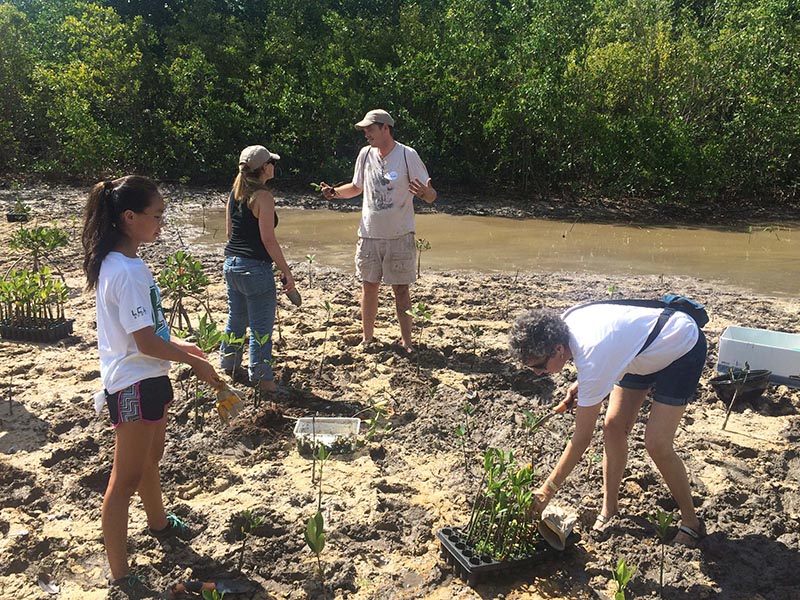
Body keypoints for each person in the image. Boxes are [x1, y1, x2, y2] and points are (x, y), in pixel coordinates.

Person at [81, 175, 221, 598]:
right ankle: (121, 575)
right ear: (129, 218)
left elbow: (149, 331)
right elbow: (142, 342)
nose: (161, 223)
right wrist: (193, 360)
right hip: (133, 384)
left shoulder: (123, 263)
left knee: (151, 459)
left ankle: (159, 522)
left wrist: (182, 344)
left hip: (149, 376)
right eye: (156, 216)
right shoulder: (123, 271)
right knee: (124, 479)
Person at [508, 301, 707, 547]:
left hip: (680, 345)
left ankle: (691, 522)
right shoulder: (565, 326)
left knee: (656, 443)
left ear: (558, 349)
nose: (538, 373)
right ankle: (610, 508)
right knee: (613, 427)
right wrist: (590, 383)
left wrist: (546, 492)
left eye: (538, 366)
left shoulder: (592, 356)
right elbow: (612, 353)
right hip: (639, 352)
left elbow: (581, 440)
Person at [320, 109, 436, 352]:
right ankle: (367, 339)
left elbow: (431, 195)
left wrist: (425, 194)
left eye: (370, 129)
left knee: (401, 290)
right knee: (368, 287)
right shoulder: (365, 155)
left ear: (386, 128)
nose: (366, 134)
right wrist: (335, 193)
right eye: (364, 130)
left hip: (400, 235)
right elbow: (355, 187)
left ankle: (407, 342)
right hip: (369, 235)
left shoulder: (407, 155)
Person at [219, 145, 296, 394]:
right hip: (254, 268)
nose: (274, 166)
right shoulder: (263, 197)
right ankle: (263, 381)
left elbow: (230, 232)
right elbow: (268, 239)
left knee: (236, 318)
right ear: (264, 168)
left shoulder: (235, 193)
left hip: (231, 264)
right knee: (261, 328)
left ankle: (229, 365)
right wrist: (286, 271)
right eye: (271, 162)